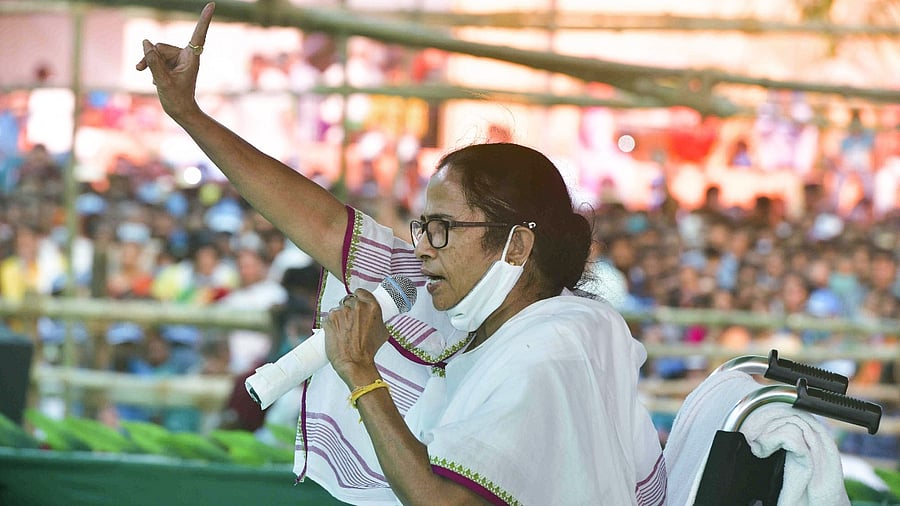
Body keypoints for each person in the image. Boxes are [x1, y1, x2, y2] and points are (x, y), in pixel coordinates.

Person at [137, 4, 666, 504]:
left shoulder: (553, 344)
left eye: (441, 228)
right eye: (422, 226)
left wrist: (362, 374)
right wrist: (188, 114)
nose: (420, 248)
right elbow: (323, 224)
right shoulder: (477, 310)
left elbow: (444, 502)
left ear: (517, 245)